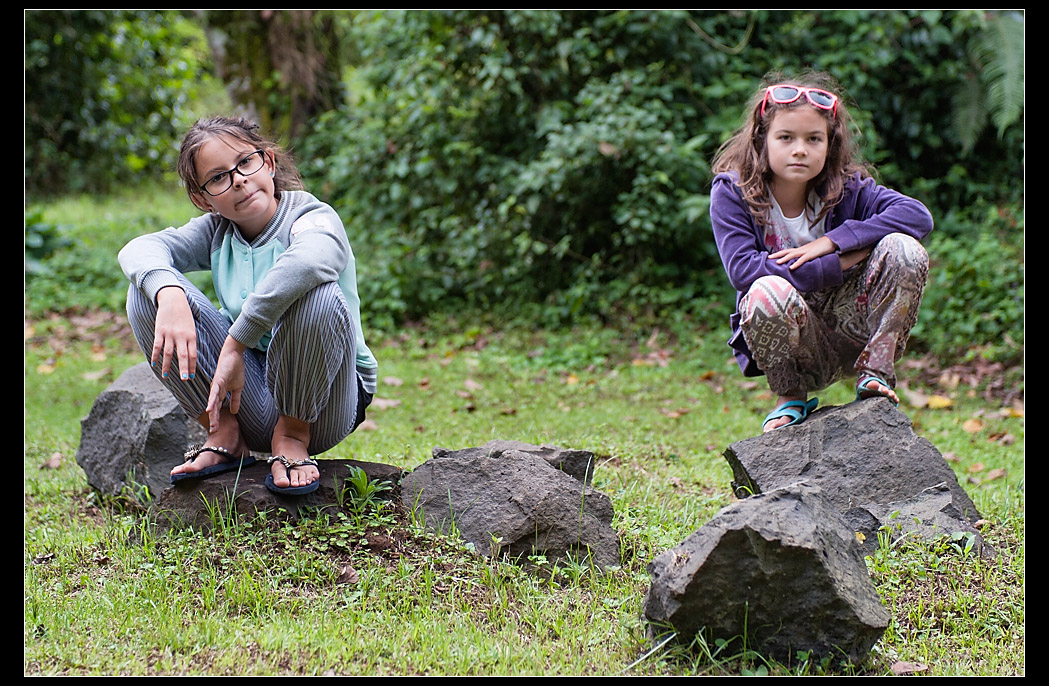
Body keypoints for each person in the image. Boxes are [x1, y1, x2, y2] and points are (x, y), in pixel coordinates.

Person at [119, 116, 377, 493]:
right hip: (248, 401)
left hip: (326, 403)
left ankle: (292, 436)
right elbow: (139, 249)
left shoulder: (311, 216)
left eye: (245, 162)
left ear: (268, 162)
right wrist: (168, 291)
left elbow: (310, 261)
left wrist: (236, 342)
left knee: (317, 294)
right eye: (218, 178)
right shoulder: (217, 230)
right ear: (203, 199)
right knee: (145, 290)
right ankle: (224, 433)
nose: (238, 179)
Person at [709, 72, 932, 433]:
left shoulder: (848, 188)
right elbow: (744, 271)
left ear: (830, 144)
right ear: (762, 139)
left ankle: (876, 372)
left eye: (814, 139)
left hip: (854, 330)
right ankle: (790, 395)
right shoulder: (733, 191)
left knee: (904, 248)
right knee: (764, 290)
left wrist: (831, 241)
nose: (800, 149)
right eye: (786, 137)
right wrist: (839, 262)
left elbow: (917, 215)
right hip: (794, 340)